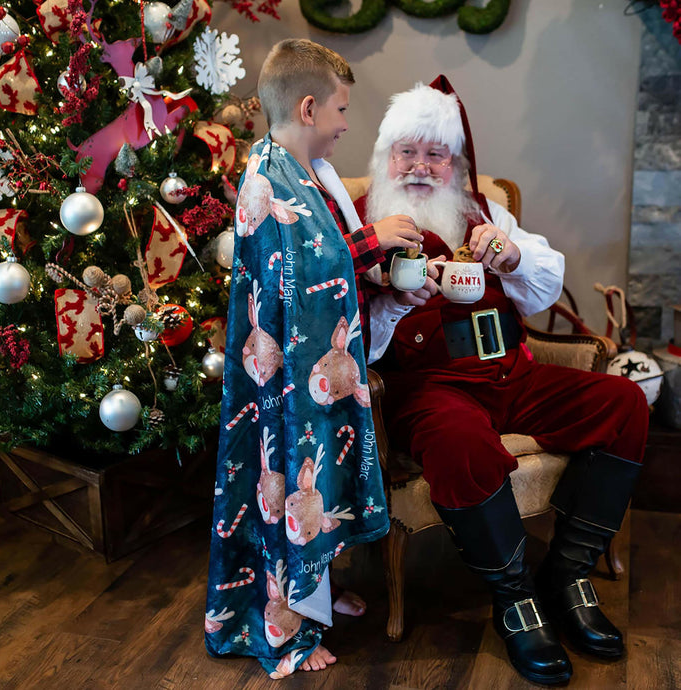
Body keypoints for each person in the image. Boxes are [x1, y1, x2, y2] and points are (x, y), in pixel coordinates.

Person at [358, 77, 648, 686]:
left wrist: (511, 256)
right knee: (461, 444)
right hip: (431, 387)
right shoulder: (361, 229)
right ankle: (515, 597)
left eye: (434, 153)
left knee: (622, 401)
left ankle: (567, 576)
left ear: (456, 163)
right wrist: (395, 295)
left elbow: (542, 285)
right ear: (386, 157)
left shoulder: (487, 214)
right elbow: (348, 340)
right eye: (406, 151)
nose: (419, 165)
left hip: (514, 372)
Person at [205, 39, 422, 679]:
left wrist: (375, 257)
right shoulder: (267, 179)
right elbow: (295, 278)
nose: (345, 124)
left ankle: (314, 597)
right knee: (284, 484)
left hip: (309, 371)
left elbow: (323, 260)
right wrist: (371, 240)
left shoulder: (304, 175)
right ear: (307, 108)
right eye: (340, 110)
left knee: (313, 482)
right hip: (282, 378)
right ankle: (288, 628)